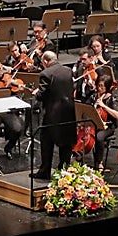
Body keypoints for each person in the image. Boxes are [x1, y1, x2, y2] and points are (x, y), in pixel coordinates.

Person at [34, 51, 75, 180]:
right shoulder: (68, 71)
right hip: (68, 112)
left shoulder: (46, 74)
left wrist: (36, 93)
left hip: (52, 114)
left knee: (47, 142)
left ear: (46, 61)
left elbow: (42, 95)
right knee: (66, 142)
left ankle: (45, 171)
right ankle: (64, 170)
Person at [88, 74, 118, 172]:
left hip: (108, 126)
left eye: (102, 86)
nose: (99, 88)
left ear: (107, 87)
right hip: (95, 124)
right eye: (98, 85)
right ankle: (79, 154)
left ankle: (99, 162)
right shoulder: (94, 96)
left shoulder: (111, 98)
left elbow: (117, 115)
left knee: (99, 137)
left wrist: (104, 106)